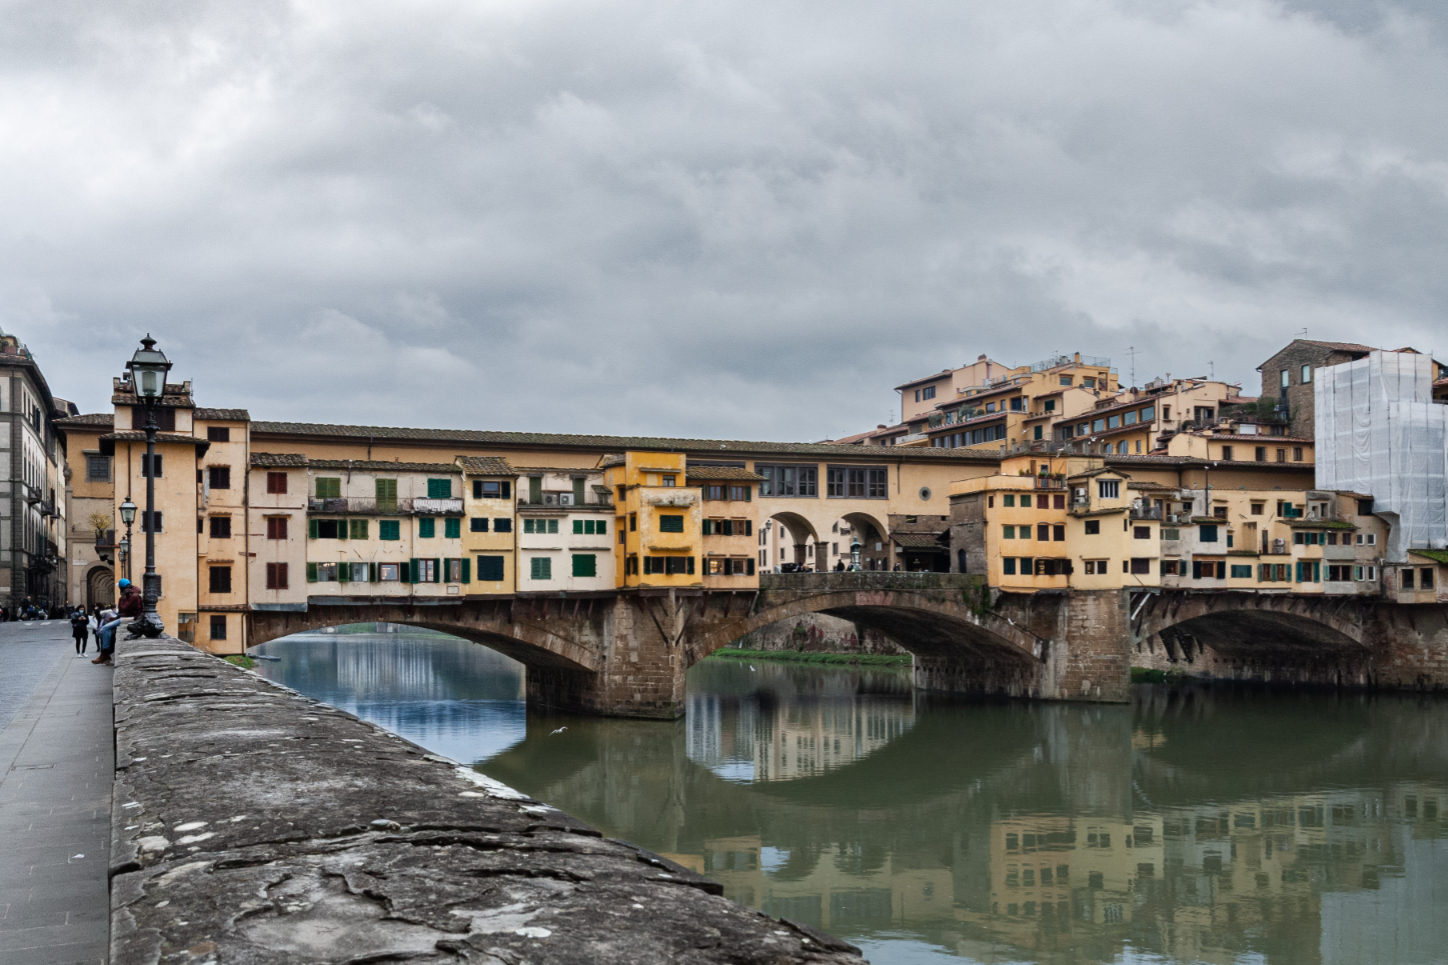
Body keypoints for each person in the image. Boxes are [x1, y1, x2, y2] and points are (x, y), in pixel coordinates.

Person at [93, 580, 140, 665]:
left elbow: (125, 609)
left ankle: (105, 653)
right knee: (106, 630)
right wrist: (115, 617)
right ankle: (105, 653)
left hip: (131, 618)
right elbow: (122, 611)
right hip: (126, 617)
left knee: (105, 628)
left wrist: (122, 599)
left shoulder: (132, 596)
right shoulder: (130, 595)